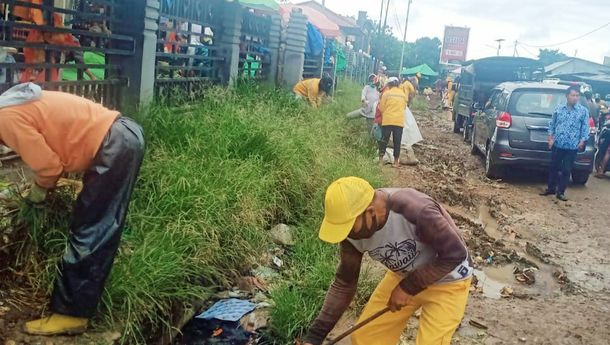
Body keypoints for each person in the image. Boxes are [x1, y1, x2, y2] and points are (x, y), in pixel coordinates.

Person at [0, 83, 145, 335]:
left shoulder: (5, 118)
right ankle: (76, 307)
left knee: (90, 229)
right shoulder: (10, 105)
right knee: (97, 223)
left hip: (114, 143)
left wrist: (38, 193)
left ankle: (71, 315)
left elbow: (48, 167)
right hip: (121, 135)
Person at [301, 177, 473, 345]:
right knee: (366, 339)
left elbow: (456, 254)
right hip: (404, 276)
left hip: (450, 280)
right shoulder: (351, 236)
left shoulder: (416, 209)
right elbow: (344, 283)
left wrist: (407, 288)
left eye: (348, 228)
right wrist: (314, 338)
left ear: (369, 212)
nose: (347, 235)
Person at [540, 85, 590, 201]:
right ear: (567, 96)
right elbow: (552, 124)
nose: (575, 98)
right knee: (553, 167)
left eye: (577, 96)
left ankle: (561, 192)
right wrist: (550, 138)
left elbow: (585, 127)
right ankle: (551, 188)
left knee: (566, 169)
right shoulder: (558, 109)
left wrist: (582, 140)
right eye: (573, 95)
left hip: (572, 146)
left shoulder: (583, 111)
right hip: (558, 144)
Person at [378, 77, 408, 168]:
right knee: (397, 142)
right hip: (399, 121)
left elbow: (381, 108)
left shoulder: (386, 94)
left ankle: (380, 161)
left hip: (387, 120)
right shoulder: (403, 95)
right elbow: (404, 108)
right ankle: (396, 162)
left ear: (389, 84)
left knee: (384, 140)